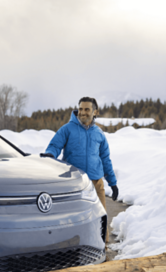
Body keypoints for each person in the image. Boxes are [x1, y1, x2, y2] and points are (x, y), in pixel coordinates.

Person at [42, 96, 119, 243]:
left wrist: (113, 183)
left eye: (87, 109)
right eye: (81, 109)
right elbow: (55, 145)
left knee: (100, 219)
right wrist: (50, 154)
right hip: (74, 184)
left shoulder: (99, 134)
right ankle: (73, 249)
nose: (82, 112)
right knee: (74, 220)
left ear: (95, 112)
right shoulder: (67, 129)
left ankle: (103, 248)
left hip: (96, 183)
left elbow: (105, 159)